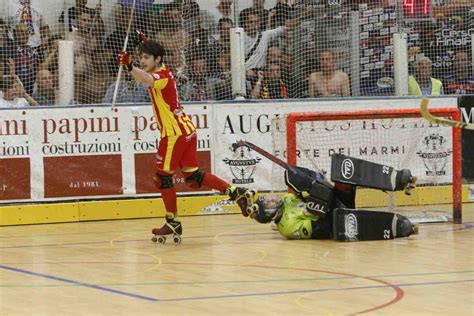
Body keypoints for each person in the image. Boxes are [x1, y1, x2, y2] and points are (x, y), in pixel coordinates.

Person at [116, 40, 250, 241]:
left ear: (157, 59)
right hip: (186, 130)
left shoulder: (160, 76)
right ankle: (236, 192)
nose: (142, 61)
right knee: (194, 177)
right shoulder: (164, 70)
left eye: (145, 57)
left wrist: (129, 66)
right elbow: (148, 73)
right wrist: (146, 43)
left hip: (174, 134)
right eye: (140, 57)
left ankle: (172, 221)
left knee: (162, 178)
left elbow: (147, 79)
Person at [234, 155, 418, 241]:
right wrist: (317, 198)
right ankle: (401, 227)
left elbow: (308, 195)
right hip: (336, 220)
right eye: (268, 203)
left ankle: (399, 179)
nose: (270, 199)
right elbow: (318, 229)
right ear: (269, 212)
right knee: (319, 199)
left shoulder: (286, 200)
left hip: (331, 202)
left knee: (341, 175)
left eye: (267, 199)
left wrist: (310, 184)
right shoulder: (287, 228)